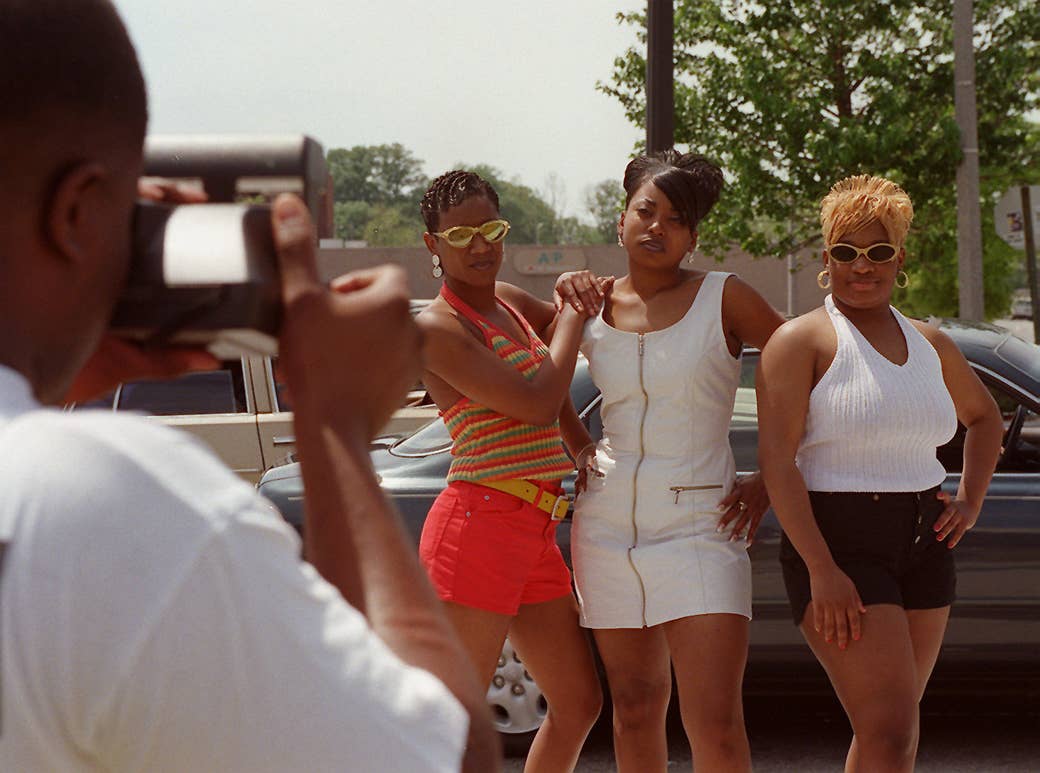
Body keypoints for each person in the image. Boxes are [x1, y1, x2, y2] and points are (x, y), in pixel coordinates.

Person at [0, 2, 498, 771]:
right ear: (76, 212)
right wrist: (334, 422)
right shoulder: (93, 503)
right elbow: (438, 755)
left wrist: (50, 376)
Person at [756, 175, 1003, 772]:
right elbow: (777, 463)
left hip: (924, 538)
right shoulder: (802, 340)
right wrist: (822, 569)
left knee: (892, 733)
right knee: (889, 729)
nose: (861, 267)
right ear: (826, 259)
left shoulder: (931, 343)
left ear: (900, 259)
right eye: (845, 252)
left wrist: (969, 499)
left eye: (878, 252)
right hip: (839, 543)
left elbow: (985, 419)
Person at [553, 150, 784, 772]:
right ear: (621, 218)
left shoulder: (724, 297)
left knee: (715, 723)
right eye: (645, 210)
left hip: (702, 528)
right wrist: (579, 445)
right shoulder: (589, 305)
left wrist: (772, 475)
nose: (656, 227)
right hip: (604, 530)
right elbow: (541, 385)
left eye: (675, 219)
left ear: (693, 236)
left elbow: (810, 370)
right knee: (633, 707)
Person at [415, 170, 603, 772]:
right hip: (478, 527)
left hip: (535, 528)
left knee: (578, 703)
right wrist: (571, 309)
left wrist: (579, 446)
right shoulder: (436, 327)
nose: (479, 245)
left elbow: (570, 355)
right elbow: (537, 397)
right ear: (432, 245)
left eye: (490, 228)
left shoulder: (511, 305)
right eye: (461, 233)